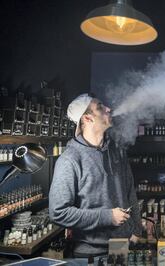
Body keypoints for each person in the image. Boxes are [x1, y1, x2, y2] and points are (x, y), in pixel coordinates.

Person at [49, 93, 142, 257]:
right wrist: (107, 217)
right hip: (90, 252)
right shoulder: (69, 160)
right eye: (100, 107)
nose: (109, 109)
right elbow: (58, 212)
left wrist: (137, 229)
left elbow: (129, 191)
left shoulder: (118, 152)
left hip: (123, 246)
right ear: (87, 119)